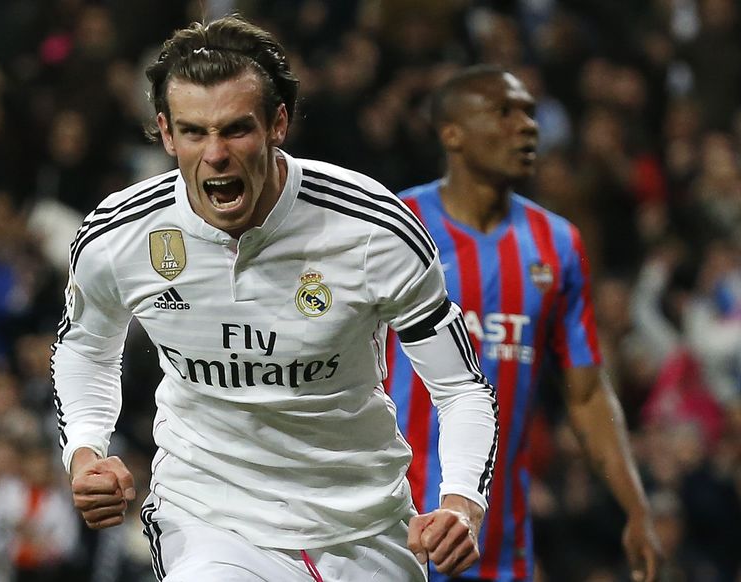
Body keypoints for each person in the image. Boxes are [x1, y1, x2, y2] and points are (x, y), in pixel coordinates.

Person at [50, 15, 498, 582]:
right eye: (192, 132)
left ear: (277, 124)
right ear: (165, 133)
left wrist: (462, 500)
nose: (214, 154)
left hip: (364, 526)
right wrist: (86, 450)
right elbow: (85, 347)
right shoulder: (121, 236)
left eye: (236, 129)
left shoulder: (373, 231)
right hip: (209, 519)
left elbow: (461, 388)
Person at [385, 65, 662, 582]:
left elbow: (585, 393)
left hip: (498, 541)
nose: (527, 126)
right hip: (391, 531)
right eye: (504, 112)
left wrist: (636, 505)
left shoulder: (557, 244)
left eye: (530, 113)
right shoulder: (396, 225)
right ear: (452, 134)